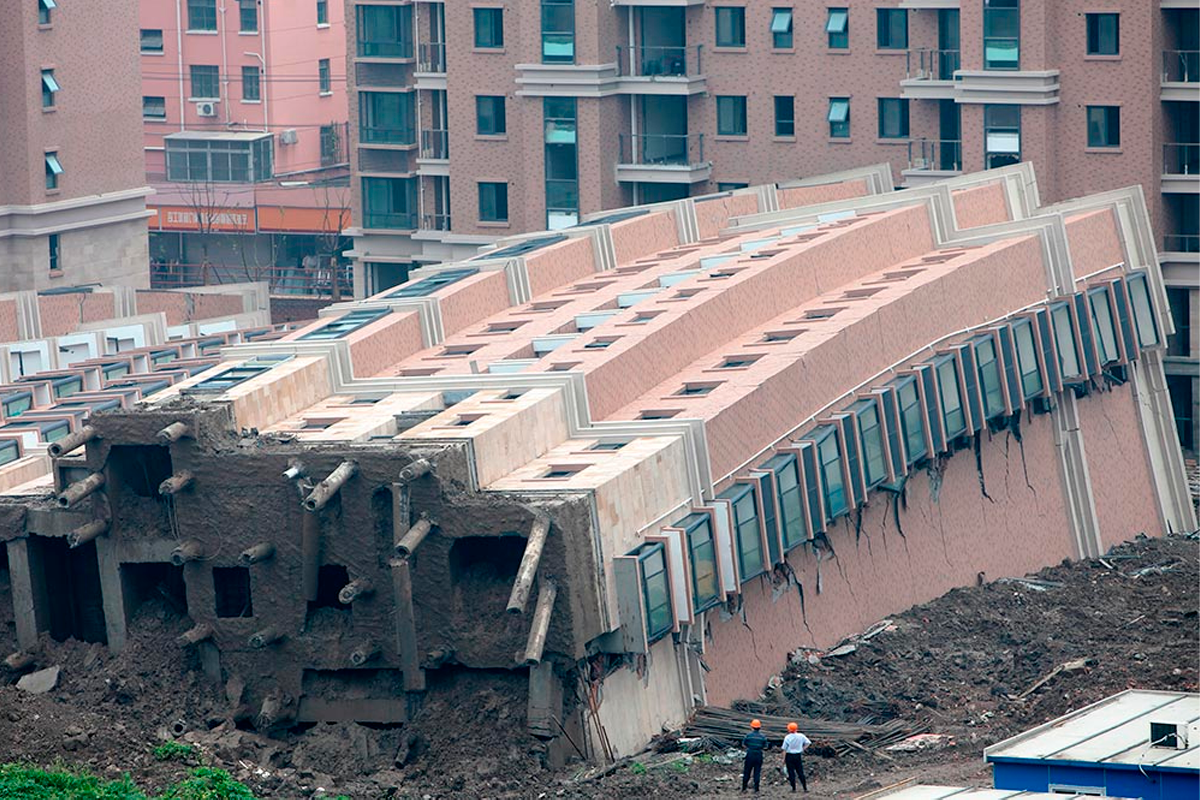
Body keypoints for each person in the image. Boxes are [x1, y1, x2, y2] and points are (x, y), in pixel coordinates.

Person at [781, 722, 812, 793]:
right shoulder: (801, 736)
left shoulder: (787, 737)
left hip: (789, 756)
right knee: (800, 772)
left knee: (791, 772)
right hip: (798, 755)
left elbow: (784, 749)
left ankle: (794, 788)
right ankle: (805, 788)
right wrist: (802, 749)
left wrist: (783, 759)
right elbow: (808, 743)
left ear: (789, 729)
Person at [741, 718, 768, 793]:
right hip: (758, 754)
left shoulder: (748, 736)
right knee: (757, 772)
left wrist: (750, 747)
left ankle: (744, 788)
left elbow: (743, 744)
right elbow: (766, 747)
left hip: (750, 754)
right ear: (760, 727)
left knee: (747, 771)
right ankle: (756, 789)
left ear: (752, 727)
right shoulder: (763, 737)